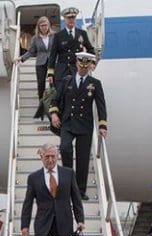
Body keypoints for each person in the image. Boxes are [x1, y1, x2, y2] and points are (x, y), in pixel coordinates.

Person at [49, 52, 107, 200]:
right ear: (77, 64)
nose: (82, 69)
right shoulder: (67, 81)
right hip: (67, 123)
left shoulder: (95, 84)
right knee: (65, 148)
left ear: (89, 67)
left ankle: (80, 191)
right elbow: (55, 100)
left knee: (83, 159)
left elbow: (101, 106)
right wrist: (54, 114)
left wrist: (102, 125)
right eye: (81, 66)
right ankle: (68, 184)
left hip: (85, 125)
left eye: (85, 67)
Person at [47, 7, 94, 91]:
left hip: (77, 70)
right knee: (62, 98)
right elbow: (53, 56)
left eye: (73, 18)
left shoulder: (82, 33)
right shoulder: (58, 36)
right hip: (62, 71)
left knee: (76, 97)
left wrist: (91, 63)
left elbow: (90, 50)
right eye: (69, 18)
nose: (71, 20)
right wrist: (50, 74)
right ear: (64, 19)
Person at [16, 16, 54, 120]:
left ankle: (54, 107)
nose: (44, 27)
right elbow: (31, 51)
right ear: (39, 27)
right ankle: (41, 107)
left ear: (49, 26)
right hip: (40, 63)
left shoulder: (54, 36)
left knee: (53, 84)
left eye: (46, 25)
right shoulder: (35, 38)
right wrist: (21, 58)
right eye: (42, 26)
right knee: (41, 84)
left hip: (52, 63)